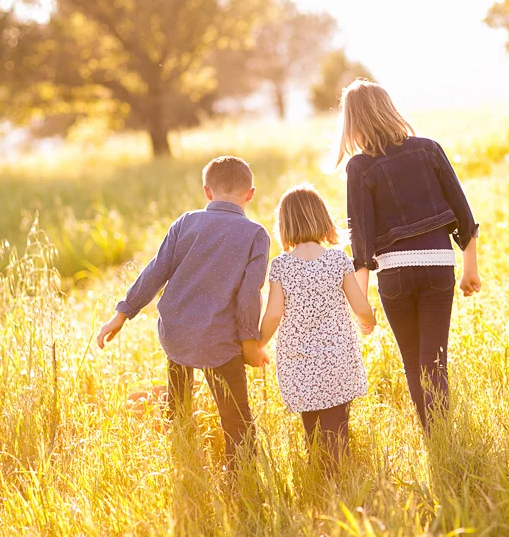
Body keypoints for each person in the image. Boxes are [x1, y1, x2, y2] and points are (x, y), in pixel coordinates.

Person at [96, 156, 270, 468]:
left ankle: (182, 453)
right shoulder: (256, 234)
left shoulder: (185, 222)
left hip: (175, 334)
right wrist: (250, 343)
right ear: (250, 194)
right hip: (220, 341)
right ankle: (241, 480)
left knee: (178, 401)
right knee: (237, 421)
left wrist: (122, 313)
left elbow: (155, 271)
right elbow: (248, 294)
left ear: (207, 192)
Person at [339, 79, 481, 429]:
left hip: (395, 273)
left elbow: (362, 243)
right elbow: (464, 216)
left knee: (413, 363)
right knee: (434, 360)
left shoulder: (358, 167)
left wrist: (362, 303)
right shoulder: (429, 149)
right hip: (437, 266)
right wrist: (470, 270)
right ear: (389, 109)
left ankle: (434, 440)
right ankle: (443, 438)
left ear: (353, 123)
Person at [258, 185, 376, 471]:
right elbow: (360, 305)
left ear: (284, 224)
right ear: (323, 218)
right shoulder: (337, 260)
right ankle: (341, 476)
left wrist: (258, 342)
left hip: (298, 361)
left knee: (311, 424)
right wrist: (367, 321)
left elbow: (273, 313)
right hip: (337, 358)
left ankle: (319, 472)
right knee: (338, 424)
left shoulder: (281, 266)